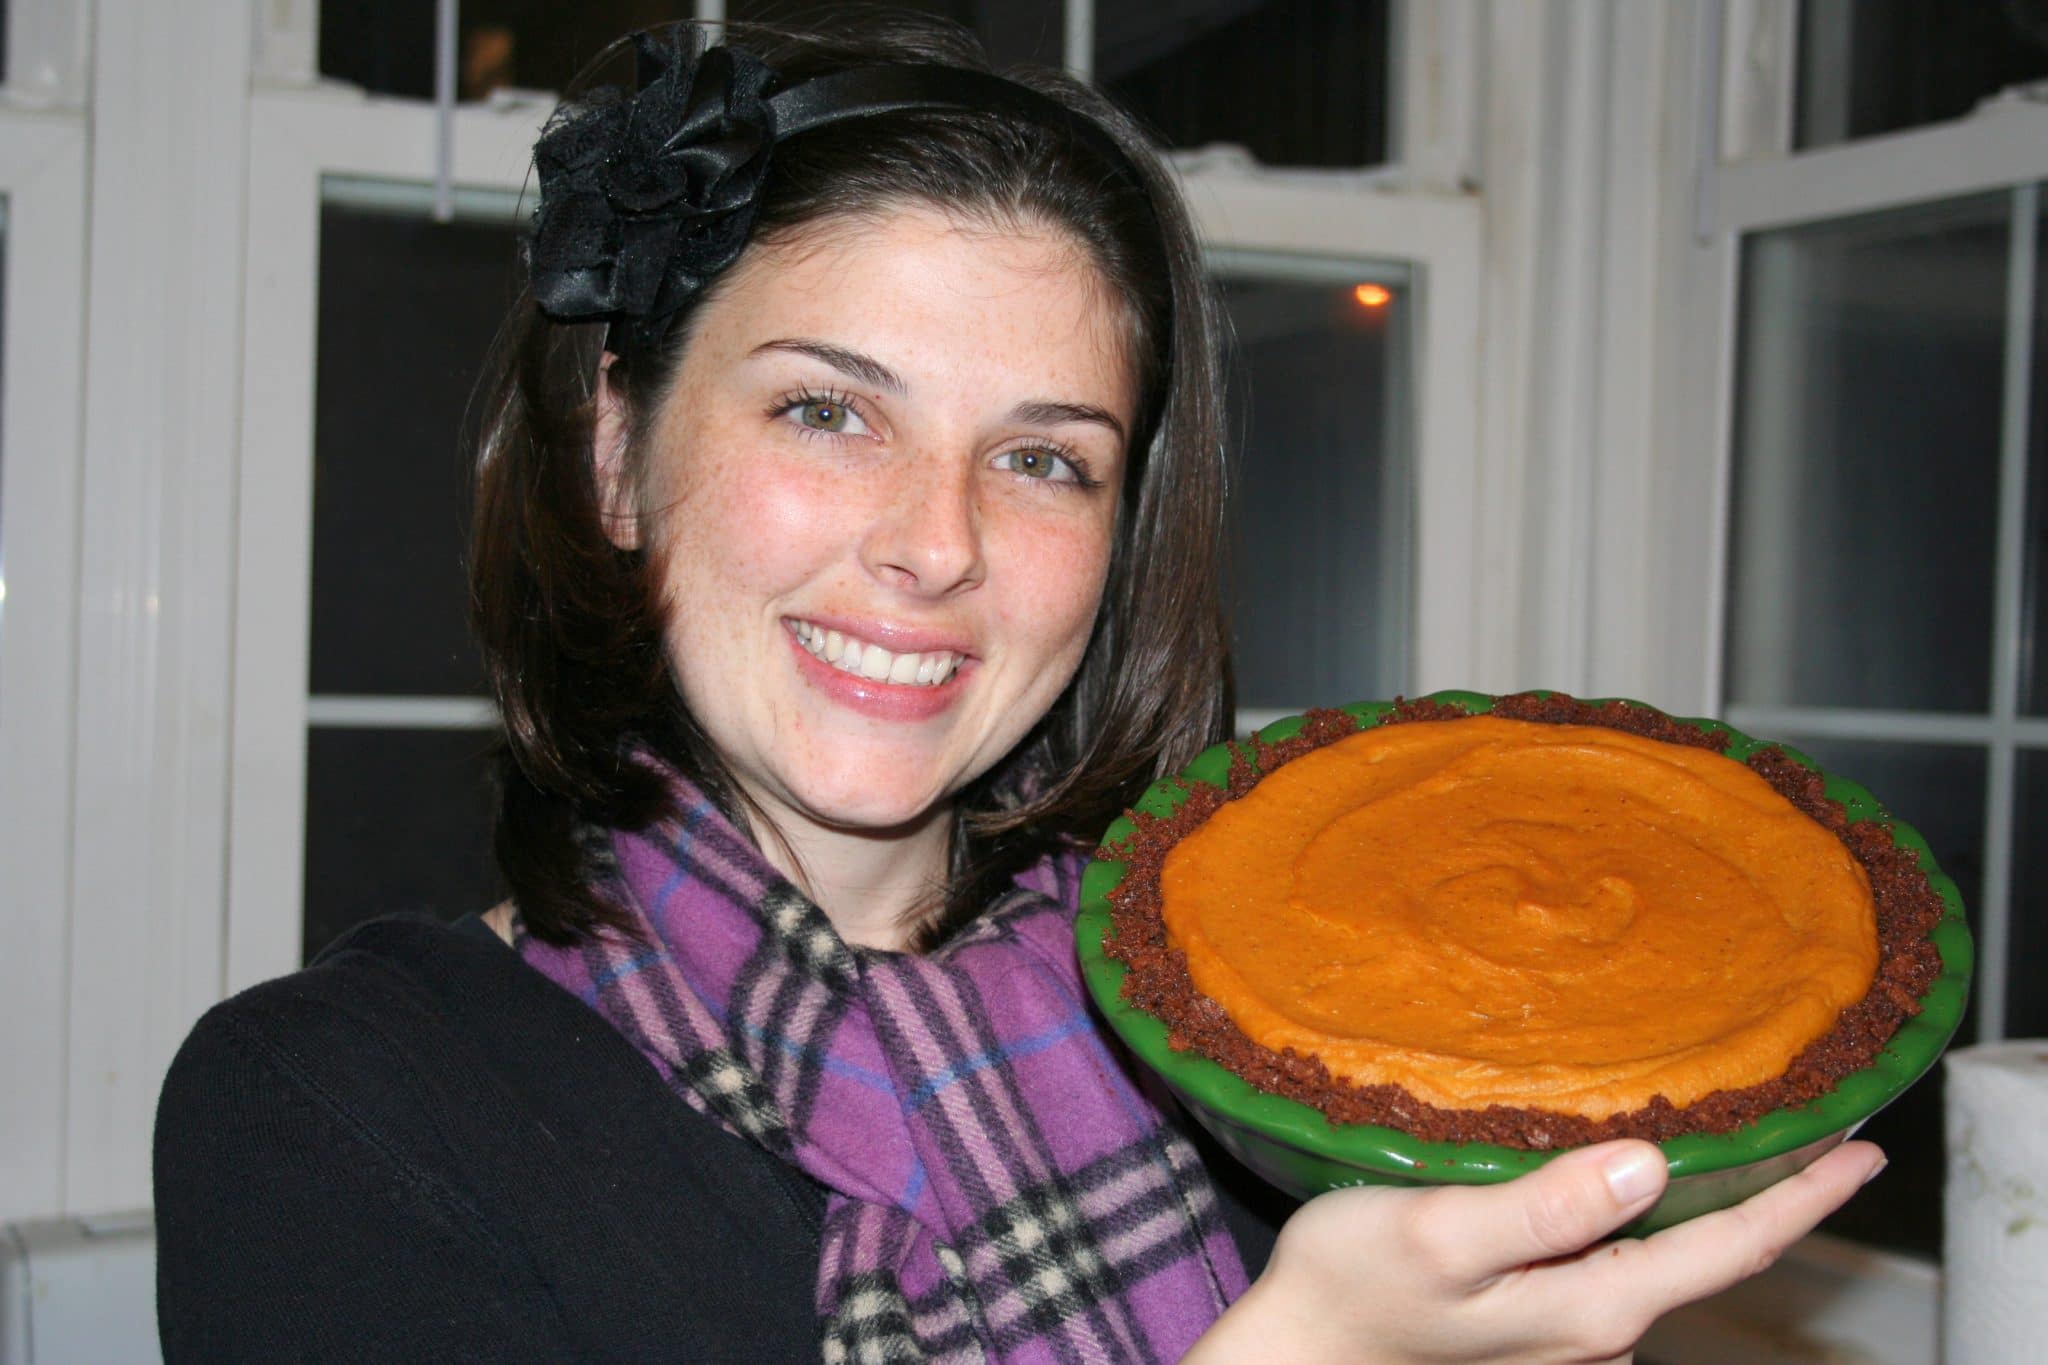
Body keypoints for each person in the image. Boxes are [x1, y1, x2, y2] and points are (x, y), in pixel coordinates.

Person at [154, 16, 1883, 1362]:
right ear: (618, 454)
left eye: (1044, 459)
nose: (937, 544)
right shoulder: (336, 1115)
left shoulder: (1258, 1051)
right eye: (827, 411)